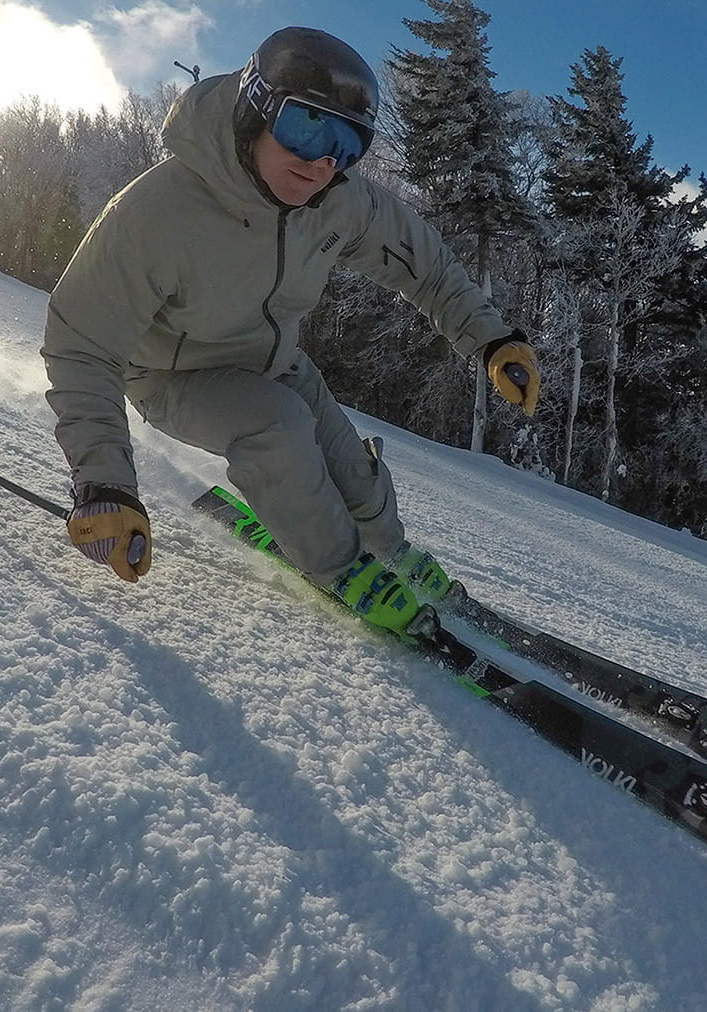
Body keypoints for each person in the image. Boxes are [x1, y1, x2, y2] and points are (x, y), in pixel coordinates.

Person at [42, 26, 541, 633]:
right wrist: (104, 482)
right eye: (306, 127)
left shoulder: (336, 200)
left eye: (345, 144)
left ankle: (389, 552)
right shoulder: (159, 212)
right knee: (277, 427)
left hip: (275, 362)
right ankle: (339, 567)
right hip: (175, 375)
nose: (320, 160)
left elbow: (423, 262)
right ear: (256, 108)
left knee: (352, 471)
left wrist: (490, 338)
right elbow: (81, 343)